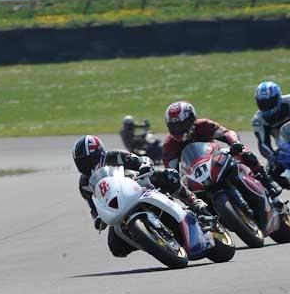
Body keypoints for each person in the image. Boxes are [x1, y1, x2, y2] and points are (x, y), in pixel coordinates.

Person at [72, 135, 208, 258]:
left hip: (140, 185)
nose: (88, 165)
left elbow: (141, 160)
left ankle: (193, 201)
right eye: (83, 163)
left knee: (168, 175)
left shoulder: (114, 156)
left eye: (91, 160)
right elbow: (94, 206)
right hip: (118, 208)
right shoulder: (84, 184)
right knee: (116, 248)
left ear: (101, 153)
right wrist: (98, 218)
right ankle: (154, 242)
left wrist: (145, 166)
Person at [162, 100, 283, 198]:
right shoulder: (169, 145)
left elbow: (226, 133)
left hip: (216, 161)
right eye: (174, 126)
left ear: (191, 119)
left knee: (245, 152)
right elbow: (171, 175)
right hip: (194, 177)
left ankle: (267, 181)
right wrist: (173, 184)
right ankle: (205, 218)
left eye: (181, 125)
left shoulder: (203, 125)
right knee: (183, 195)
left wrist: (235, 143)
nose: (178, 130)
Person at [252, 81, 290, 182]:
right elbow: (263, 144)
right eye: (262, 103)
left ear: (278, 98)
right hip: (285, 147)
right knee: (268, 174)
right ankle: (273, 195)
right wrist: (273, 158)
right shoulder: (258, 120)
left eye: (270, 102)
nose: (267, 106)